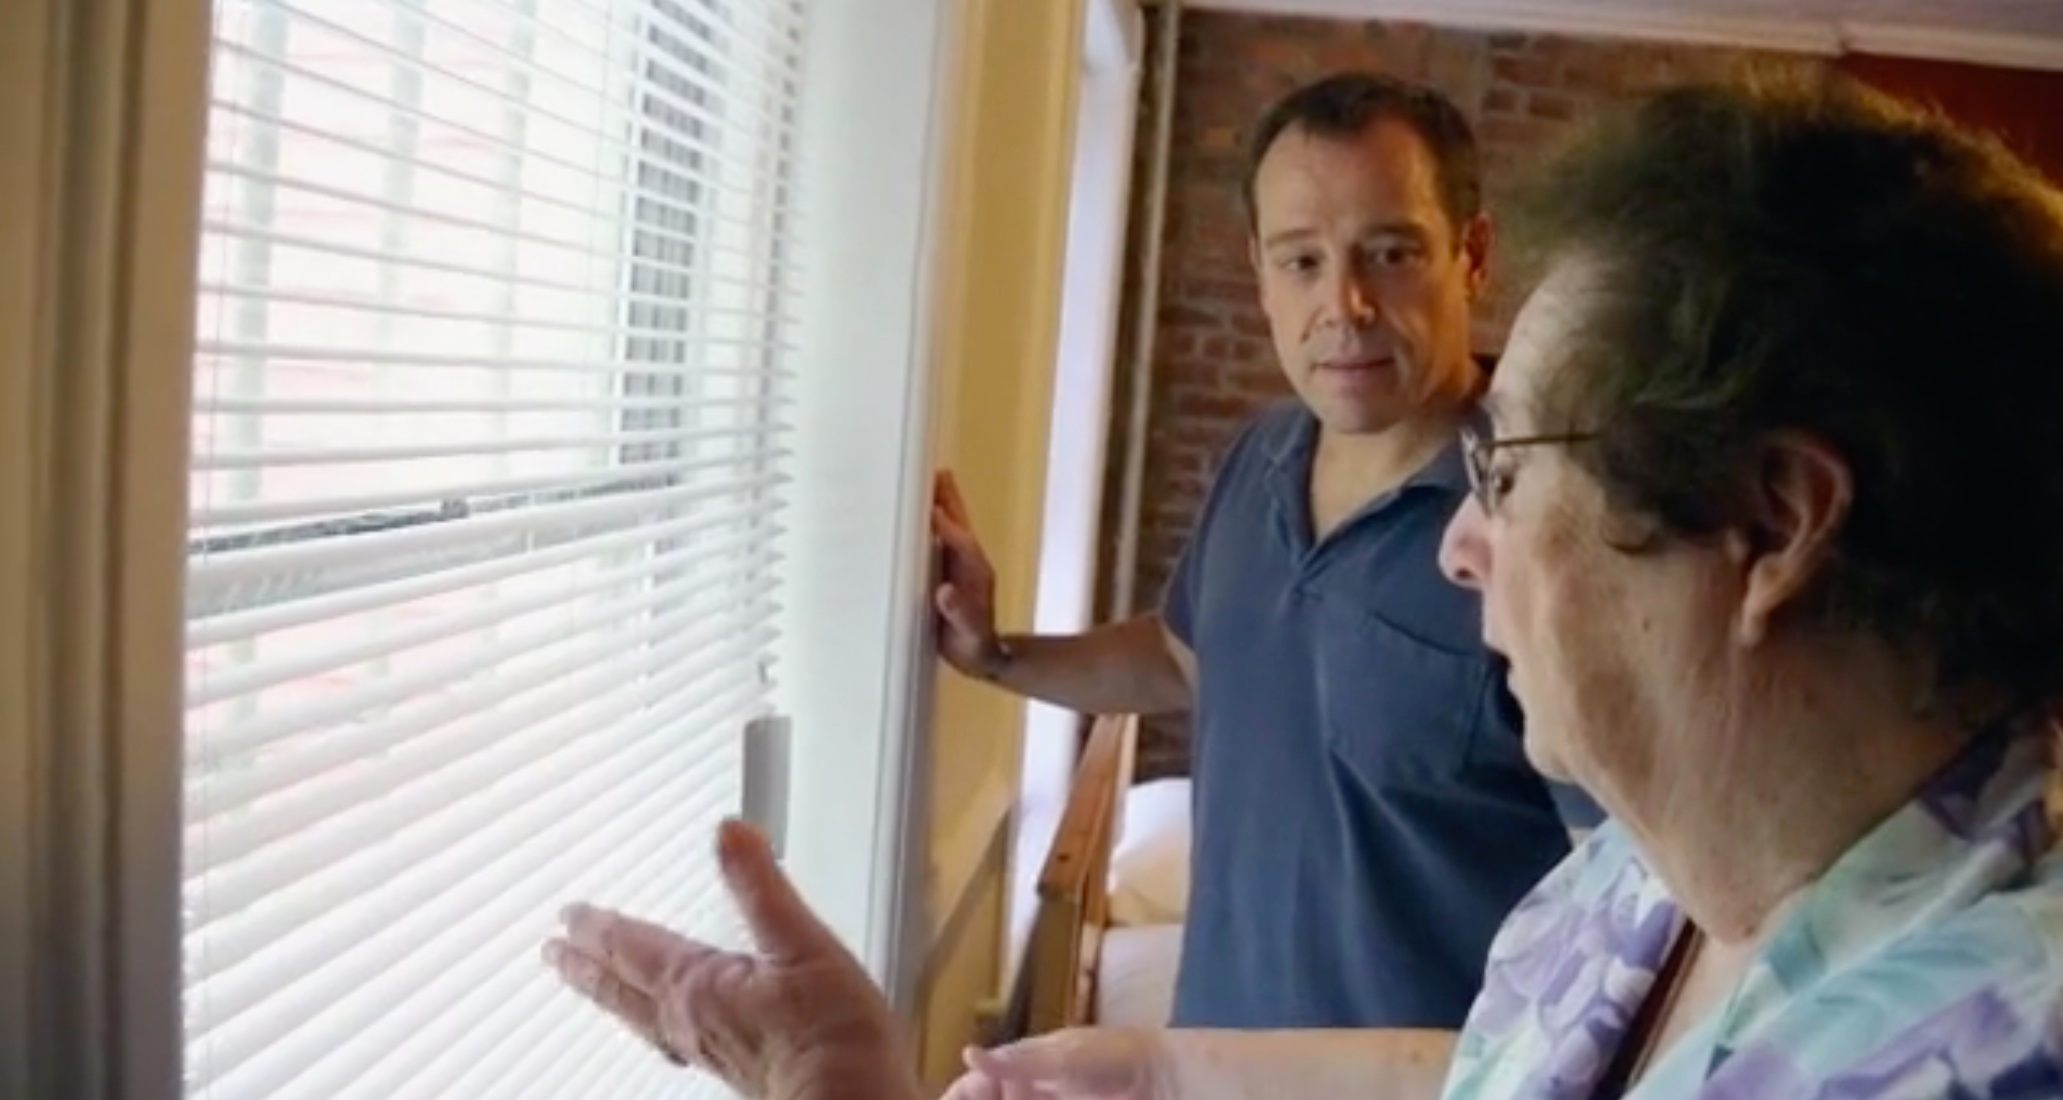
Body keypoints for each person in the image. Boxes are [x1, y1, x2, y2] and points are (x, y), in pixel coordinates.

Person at [543, 75, 2063, 1099]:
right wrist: (1170, 1068)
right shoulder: (1643, 888)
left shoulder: (1961, 1046)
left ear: (1774, 524)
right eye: (1296, 260)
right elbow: (1482, 1052)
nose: (1470, 549)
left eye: (1513, 469)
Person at [931, 71, 1596, 1039]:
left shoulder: (1546, 523)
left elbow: (1634, 889)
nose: (1345, 304)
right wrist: (996, 653)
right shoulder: (1258, 458)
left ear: (1472, 254)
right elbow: (1181, 656)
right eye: (1300, 261)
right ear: (1257, 270)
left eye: (1391, 252)